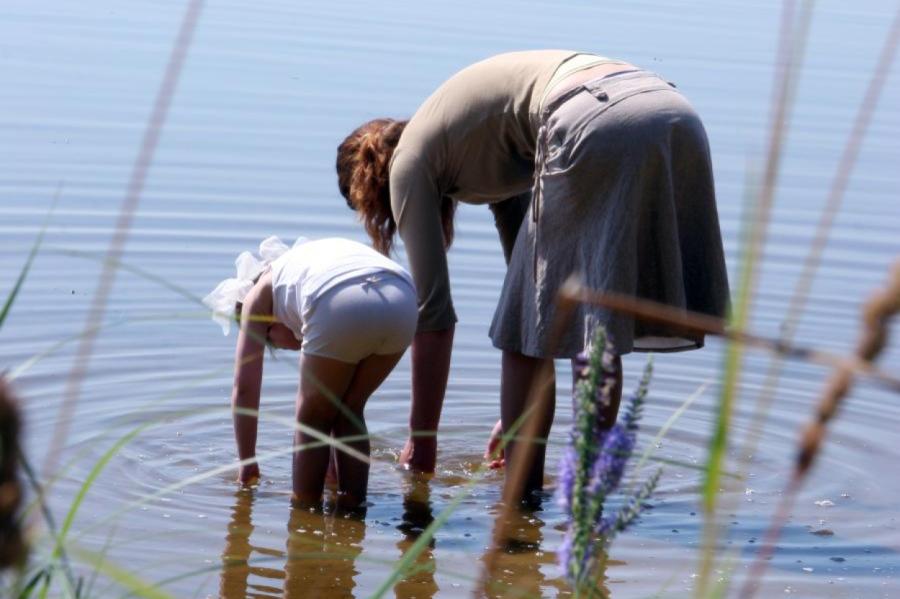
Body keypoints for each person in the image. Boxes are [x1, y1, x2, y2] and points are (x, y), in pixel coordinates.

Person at [335, 50, 729, 497]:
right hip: (671, 113)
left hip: (591, 118)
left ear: (371, 193)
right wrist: (516, 412)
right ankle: (588, 493)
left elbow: (434, 317)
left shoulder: (410, 164)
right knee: (591, 323)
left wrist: (422, 444)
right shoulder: (475, 147)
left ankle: (520, 500)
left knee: (527, 332)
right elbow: (539, 297)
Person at [203, 236, 417, 509]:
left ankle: (304, 516)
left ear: (268, 327)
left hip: (339, 301)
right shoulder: (304, 262)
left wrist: (247, 463)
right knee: (349, 410)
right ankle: (353, 511)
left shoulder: (255, 299)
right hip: (403, 299)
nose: (287, 346)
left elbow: (243, 389)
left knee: (310, 419)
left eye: (274, 342)